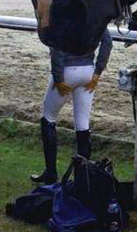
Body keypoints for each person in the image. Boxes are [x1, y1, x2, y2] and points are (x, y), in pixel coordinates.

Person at [31, 29, 112, 184]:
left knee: (48, 117)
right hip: (88, 71)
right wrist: (98, 72)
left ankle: (51, 173)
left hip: (67, 71)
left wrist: (58, 77)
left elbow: (56, 45)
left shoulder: (64, 15)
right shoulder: (95, 16)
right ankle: (82, 177)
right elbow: (107, 42)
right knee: (82, 122)